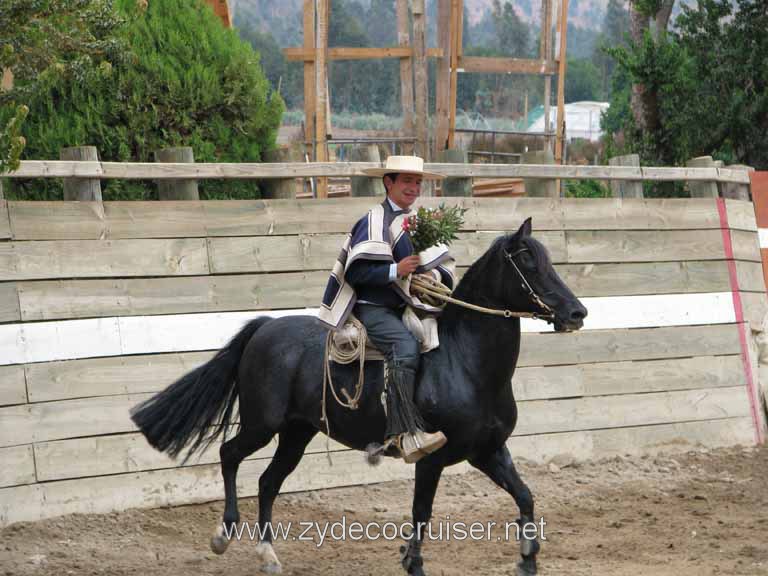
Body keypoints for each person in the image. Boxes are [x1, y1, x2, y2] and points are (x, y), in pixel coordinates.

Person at [319, 156, 453, 463]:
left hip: (407, 306)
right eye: (407, 181)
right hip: (374, 308)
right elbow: (356, 274)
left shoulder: (419, 222)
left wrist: (429, 278)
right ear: (388, 182)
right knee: (405, 346)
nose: (414, 188)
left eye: (418, 182)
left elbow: (442, 265)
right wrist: (397, 271)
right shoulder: (372, 221)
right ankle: (401, 432)